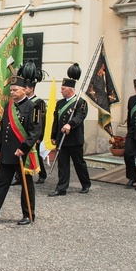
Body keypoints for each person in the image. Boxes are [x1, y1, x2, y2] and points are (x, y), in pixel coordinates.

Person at [0, 76, 39, 225]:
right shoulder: (8, 105)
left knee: (26, 185)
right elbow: (4, 129)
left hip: (22, 154)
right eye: (11, 90)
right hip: (7, 153)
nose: (12, 92)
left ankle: (28, 214)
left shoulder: (32, 107)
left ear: (25, 90)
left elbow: (35, 132)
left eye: (15, 89)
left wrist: (23, 149)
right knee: (0, 184)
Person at [49, 64, 91, 196]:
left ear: (70, 89)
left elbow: (80, 116)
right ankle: (61, 188)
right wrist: (53, 135)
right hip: (62, 138)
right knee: (63, 164)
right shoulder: (60, 103)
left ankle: (85, 184)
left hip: (74, 138)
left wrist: (70, 124)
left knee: (79, 163)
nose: (60, 91)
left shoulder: (81, 102)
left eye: (63, 88)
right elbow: (56, 119)